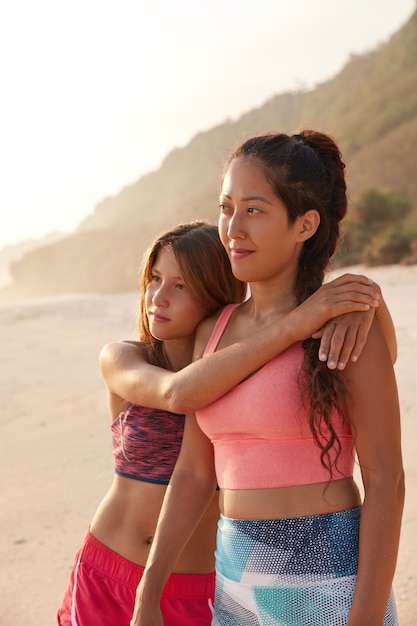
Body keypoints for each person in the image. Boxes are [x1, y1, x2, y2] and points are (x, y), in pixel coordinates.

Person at [57, 218, 391, 626]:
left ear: (214, 292)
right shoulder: (125, 358)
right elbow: (178, 393)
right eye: (155, 279)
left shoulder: (243, 359)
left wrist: (368, 302)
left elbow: (377, 360)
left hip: (204, 583)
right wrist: (298, 322)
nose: (158, 298)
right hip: (107, 566)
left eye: (181, 286)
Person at [131, 131, 404, 626]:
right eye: (226, 207)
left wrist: (363, 620)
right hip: (235, 584)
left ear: (305, 224)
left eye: (254, 210)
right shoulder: (214, 331)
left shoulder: (343, 324)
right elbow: (194, 474)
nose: (234, 228)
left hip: (327, 583)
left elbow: (387, 479)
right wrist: (149, 592)